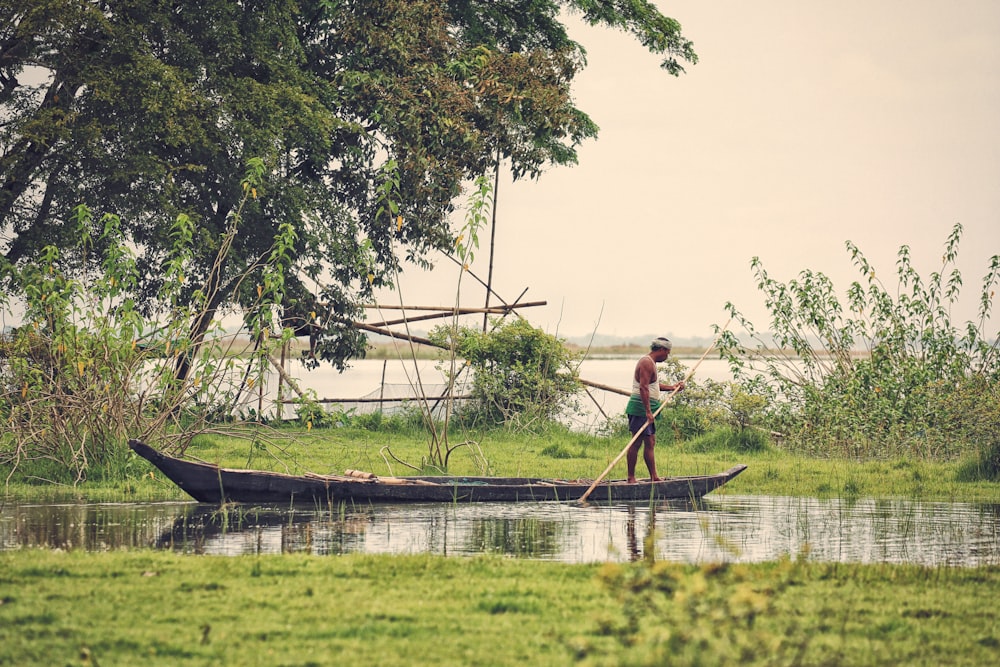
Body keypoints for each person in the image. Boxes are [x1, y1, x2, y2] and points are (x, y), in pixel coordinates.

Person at [624, 336, 684, 482]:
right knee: (637, 442)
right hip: (640, 409)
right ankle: (631, 478)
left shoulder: (651, 363)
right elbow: (643, 387)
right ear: (662, 350)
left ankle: (653, 477)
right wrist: (648, 411)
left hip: (644, 408)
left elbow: (653, 386)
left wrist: (672, 387)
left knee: (650, 442)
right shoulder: (646, 362)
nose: (667, 356)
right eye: (667, 353)